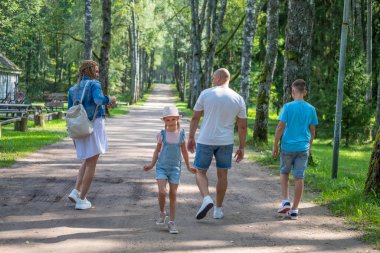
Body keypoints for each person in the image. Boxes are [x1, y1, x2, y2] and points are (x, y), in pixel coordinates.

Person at [188, 68, 247, 220]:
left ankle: (207, 198)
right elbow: (242, 126)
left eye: (214, 77)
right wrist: (241, 147)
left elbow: (195, 118)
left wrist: (190, 138)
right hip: (226, 142)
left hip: (206, 139)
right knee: (223, 175)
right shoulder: (238, 98)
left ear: (220, 78)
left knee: (200, 171)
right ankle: (218, 210)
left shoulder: (206, 93)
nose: (212, 80)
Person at [67, 60, 116, 210]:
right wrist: (110, 100)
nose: (97, 73)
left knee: (87, 159)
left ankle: (76, 191)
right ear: (88, 70)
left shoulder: (73, 89)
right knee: (92, 162)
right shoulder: (95, 84)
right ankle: (82, 200)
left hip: (80, 127)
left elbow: (70, 112)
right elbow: (98, 100)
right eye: (95, 70)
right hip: (94, 125)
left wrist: (72, 134)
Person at [144, 106, 197, 234]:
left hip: (175, 168)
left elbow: (184, 151)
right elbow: (157, 150)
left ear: (178, 119)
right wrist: (151, 164)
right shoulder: (162, 134)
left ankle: (172, 222)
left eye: (173, 119)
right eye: (168, 120)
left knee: (173, 194)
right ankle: (162, 212)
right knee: (162, 192)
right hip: (161, 166)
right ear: (164, 121)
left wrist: (189, 167)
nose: (171, 122)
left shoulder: (181, 134)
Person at [272, 79, 318, 220]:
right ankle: (295, 210)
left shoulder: (287, 107)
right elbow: (312, 131)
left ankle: (285, 201)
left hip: (287, 147)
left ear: (293, 91)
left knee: (284, 173)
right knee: (299, 177)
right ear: (305, 92)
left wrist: (275, 145)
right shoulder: (311, 109)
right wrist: (309, 146)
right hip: (303, 148)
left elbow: (280, 127)